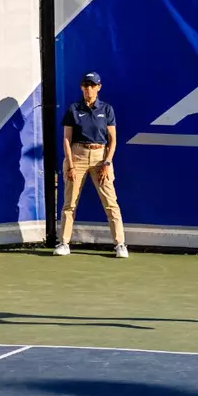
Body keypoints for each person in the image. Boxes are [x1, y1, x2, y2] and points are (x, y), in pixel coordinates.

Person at [52, 72, 127, 259]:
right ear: (81, 87)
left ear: (99, 87)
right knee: (70, 203)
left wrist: (107, 162)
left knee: (111, 203)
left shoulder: (106, 109)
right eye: (85, 85)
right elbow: (67, 139)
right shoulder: (73, 109)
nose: (88, 89)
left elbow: (113, 140)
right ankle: (64, 243)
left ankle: (120, 244)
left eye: (92, 85)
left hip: (101, 157)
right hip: (77, 156)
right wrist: (70, 164)